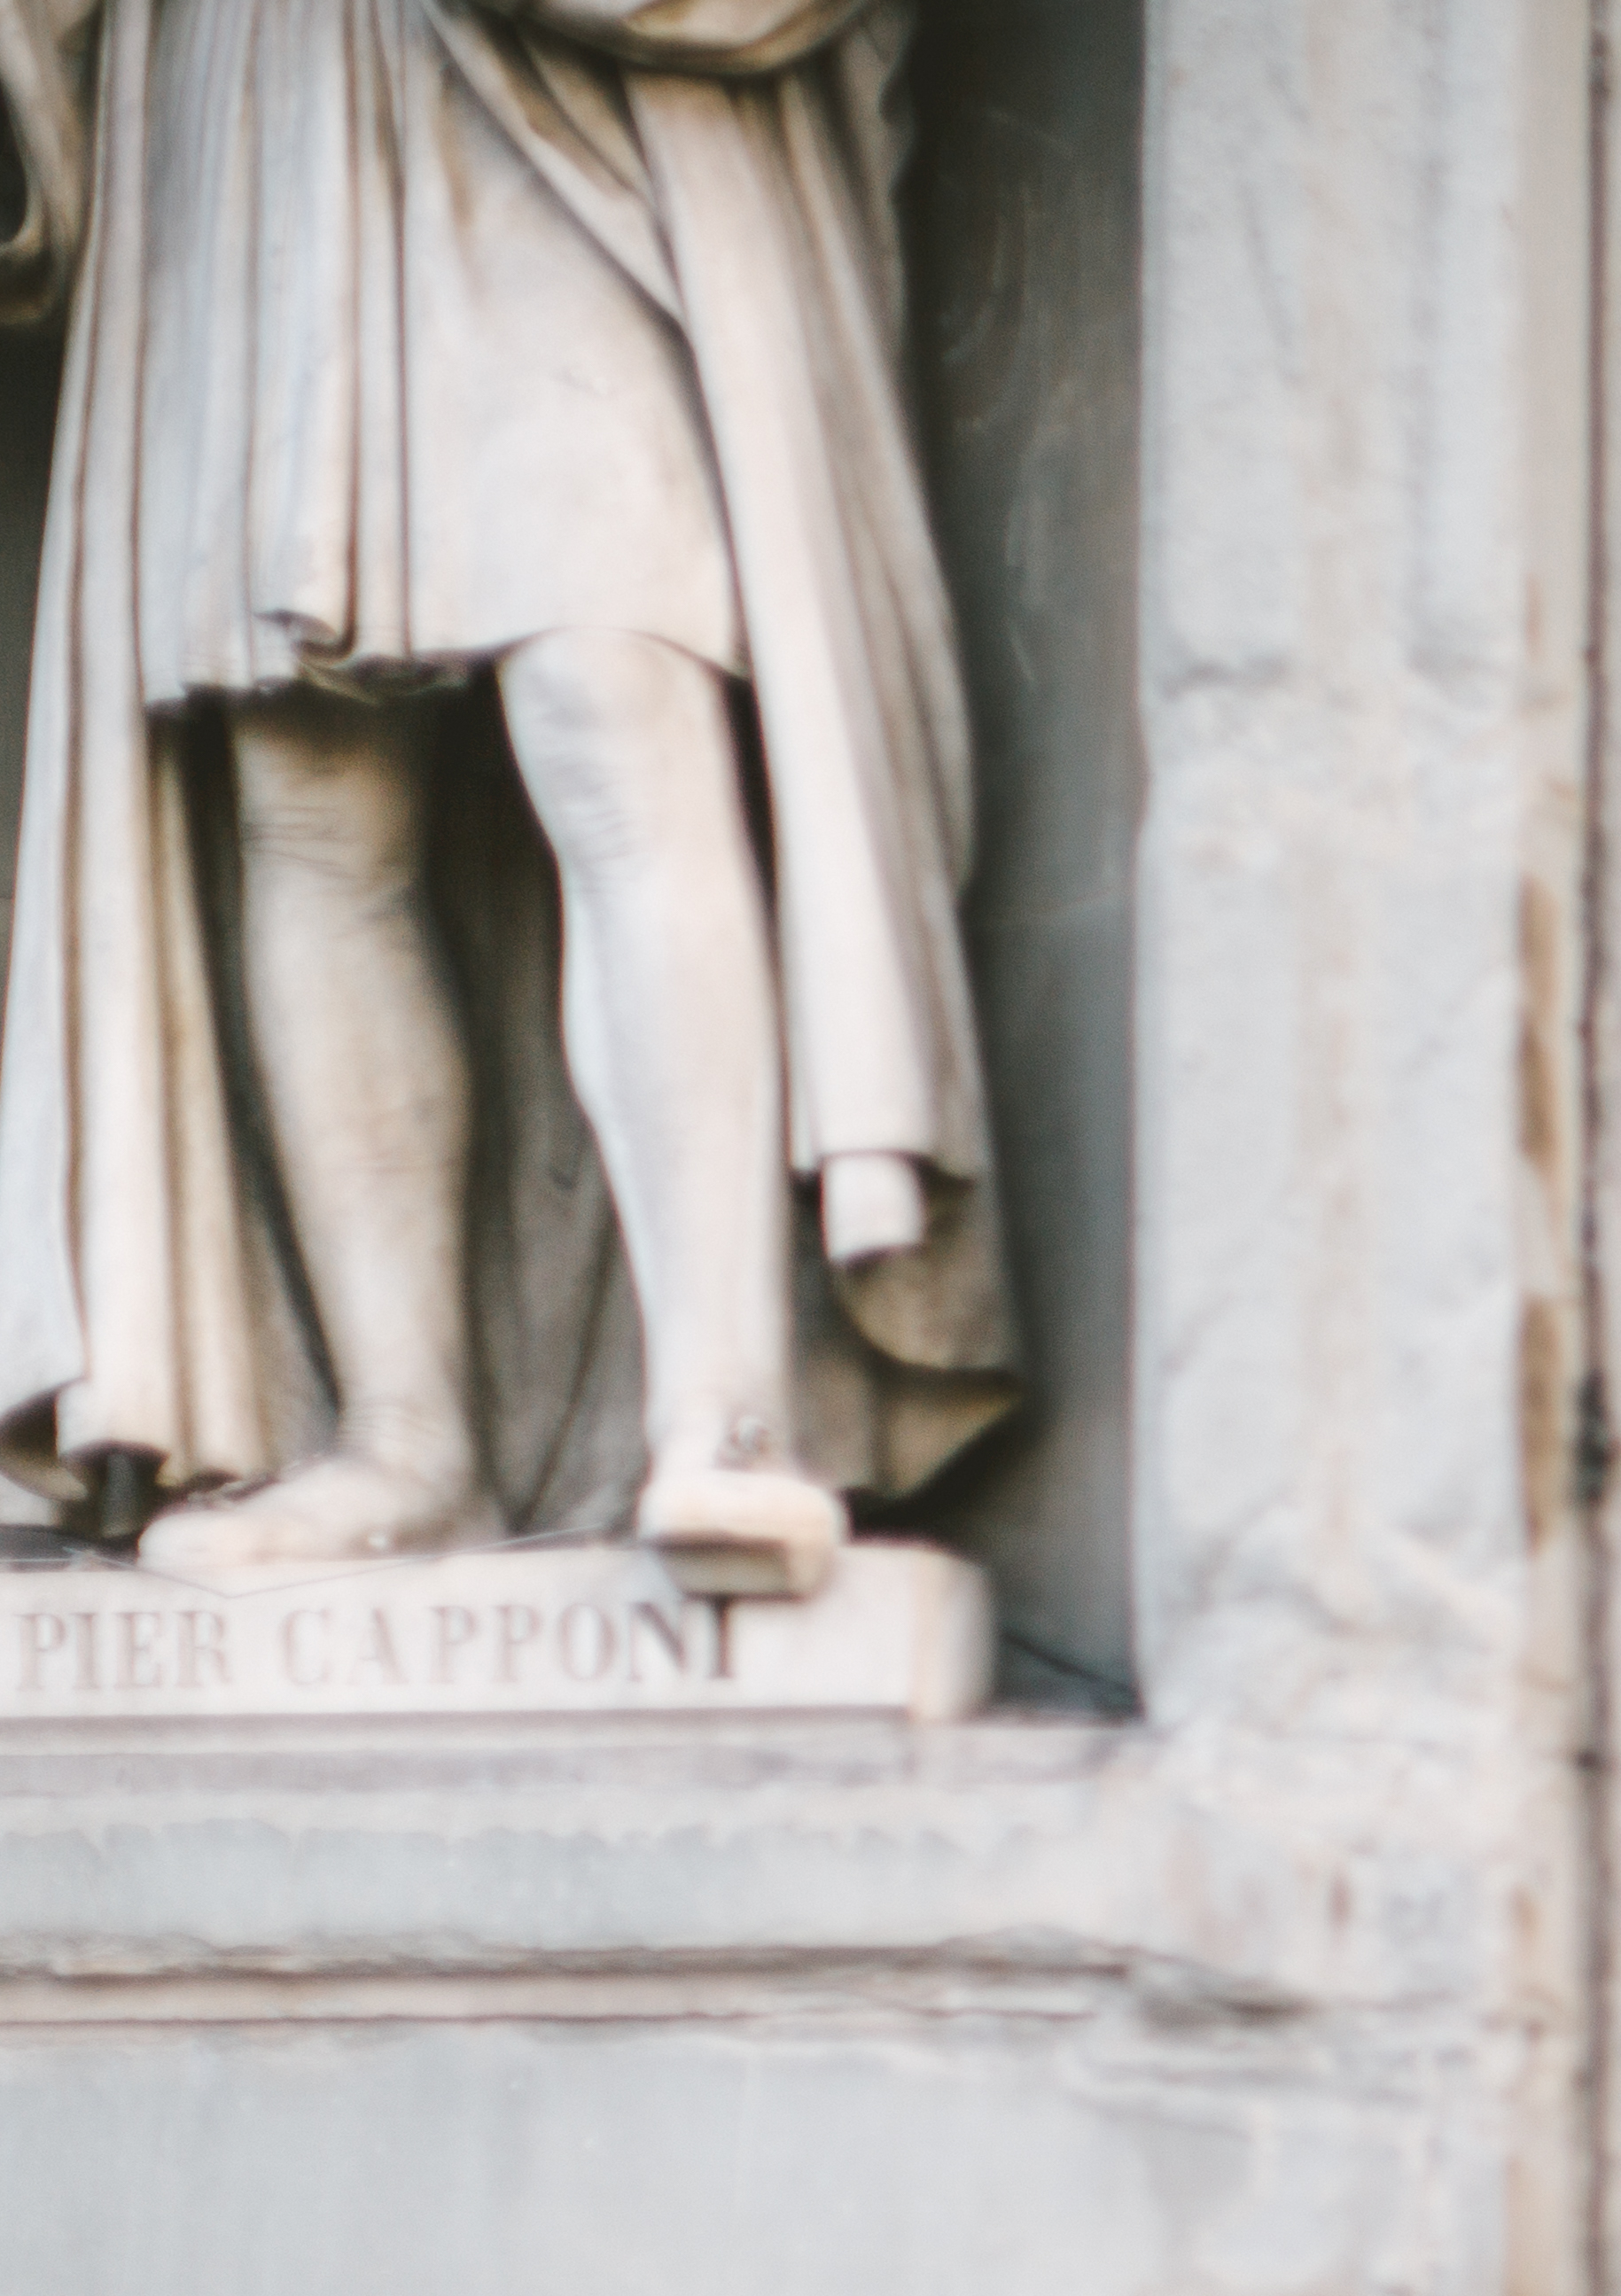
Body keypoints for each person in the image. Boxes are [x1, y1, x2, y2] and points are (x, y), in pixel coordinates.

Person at [0, 1, 1014, 1594]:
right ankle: (409, 1443)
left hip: (567, 69)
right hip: (262, 70)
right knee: (311, 783)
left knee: (612, 691)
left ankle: (725, 1409)